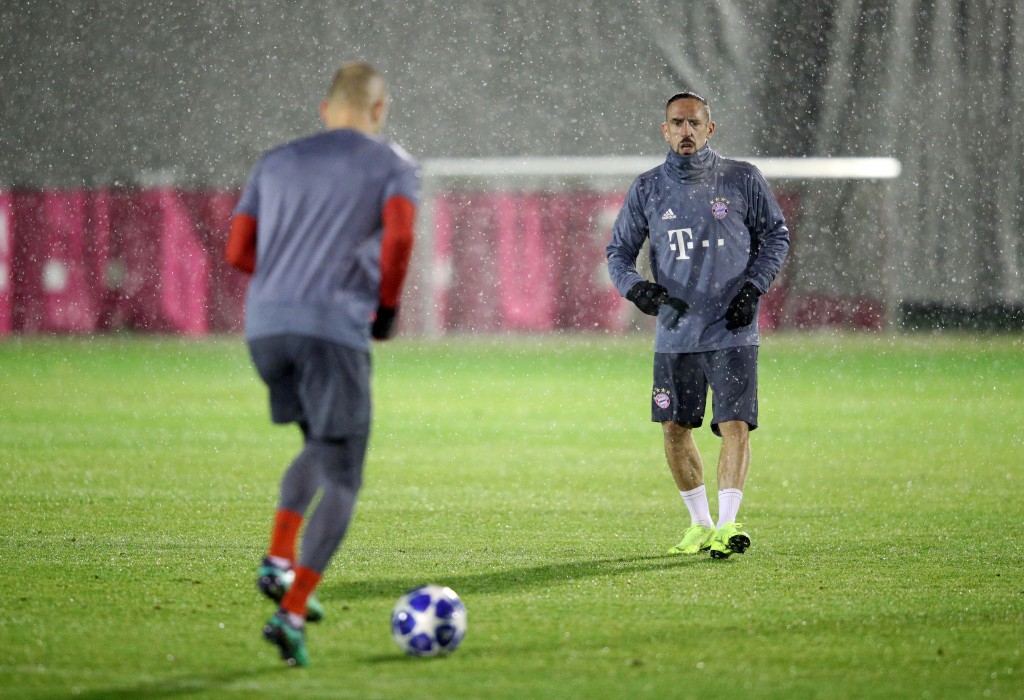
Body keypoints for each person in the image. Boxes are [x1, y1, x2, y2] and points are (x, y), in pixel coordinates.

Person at [225, 62, 419, 666]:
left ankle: (279, 562)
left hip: (265, 329)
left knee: (318, 445)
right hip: (330, 330)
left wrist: (283, 289)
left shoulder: (274, 162)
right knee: (344, 474)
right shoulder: (391, 164)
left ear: (325, 108)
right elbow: (400, 238)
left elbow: (237, 251)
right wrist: (384, 308)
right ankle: (290, 612)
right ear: (379, 110)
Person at [606, 91, 789, 560]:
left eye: (694, 123)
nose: (685, 131)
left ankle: (729, 526)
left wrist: (753, 287)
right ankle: (701, 525)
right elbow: (618, 254)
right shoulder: (647, 188)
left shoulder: (741, 178)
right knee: (674, 428)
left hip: (731, 328)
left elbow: (776, 236)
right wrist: (637, 289)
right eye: (676, 123)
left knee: (734, 424)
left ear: (710, 129)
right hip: (676, 333)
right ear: (664, 130)